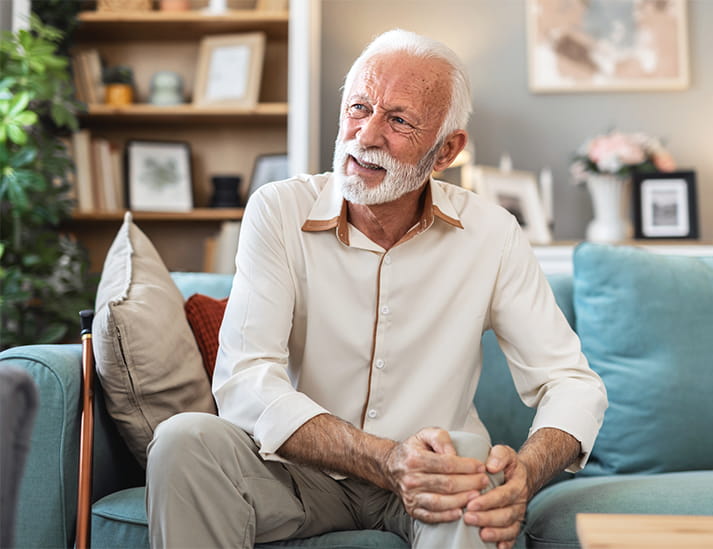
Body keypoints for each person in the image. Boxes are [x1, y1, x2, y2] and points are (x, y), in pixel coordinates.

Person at [146, 29, 607, 549]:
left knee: (469, 483)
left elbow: (571, 381)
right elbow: (245, 378)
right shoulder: (277, 210)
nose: (365, 136)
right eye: (359, 107)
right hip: (298, 475)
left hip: (433, 482)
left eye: (399, 120)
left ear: (446, 150)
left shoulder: (493, 232)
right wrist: (386, 459)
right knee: (183, 440)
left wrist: (526, 471)